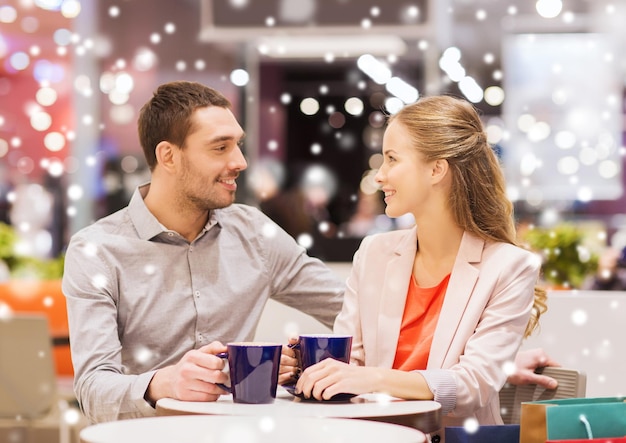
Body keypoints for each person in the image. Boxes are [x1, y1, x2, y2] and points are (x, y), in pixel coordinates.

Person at [62, 81, 345, 424]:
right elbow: (93, 390)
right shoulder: (97, 251)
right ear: (168, 156)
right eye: (220, 147)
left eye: (238, 145)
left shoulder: (255, 233)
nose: (239, 162)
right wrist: (163, 383)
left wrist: (304, 363)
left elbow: (353, 311)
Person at [290, 95, 546, 434]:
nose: (379, 176)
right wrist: (307, 371)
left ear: (437, 169)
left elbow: (473, 385)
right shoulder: (374, 253)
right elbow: (350, 361)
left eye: (392, 159)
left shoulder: (509, 267)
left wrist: (373, 378)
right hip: (371, 435)